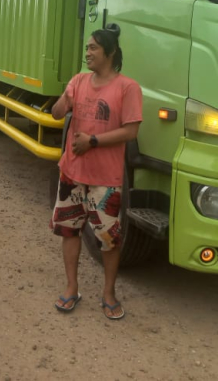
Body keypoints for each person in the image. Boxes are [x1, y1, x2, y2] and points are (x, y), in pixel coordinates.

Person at [50, 25, 142, 320]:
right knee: (69, 230)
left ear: (110, 52)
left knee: (109, 239)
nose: (87, 52)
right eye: (87, 47)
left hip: (105, 178)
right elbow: (55, 113)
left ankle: (109, 293)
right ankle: (71, 288)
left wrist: (93, 141)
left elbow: (131, 131)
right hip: (72, 173)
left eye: (93, 48)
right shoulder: (78, 81)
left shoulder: (127, 88)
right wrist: (65, 99)